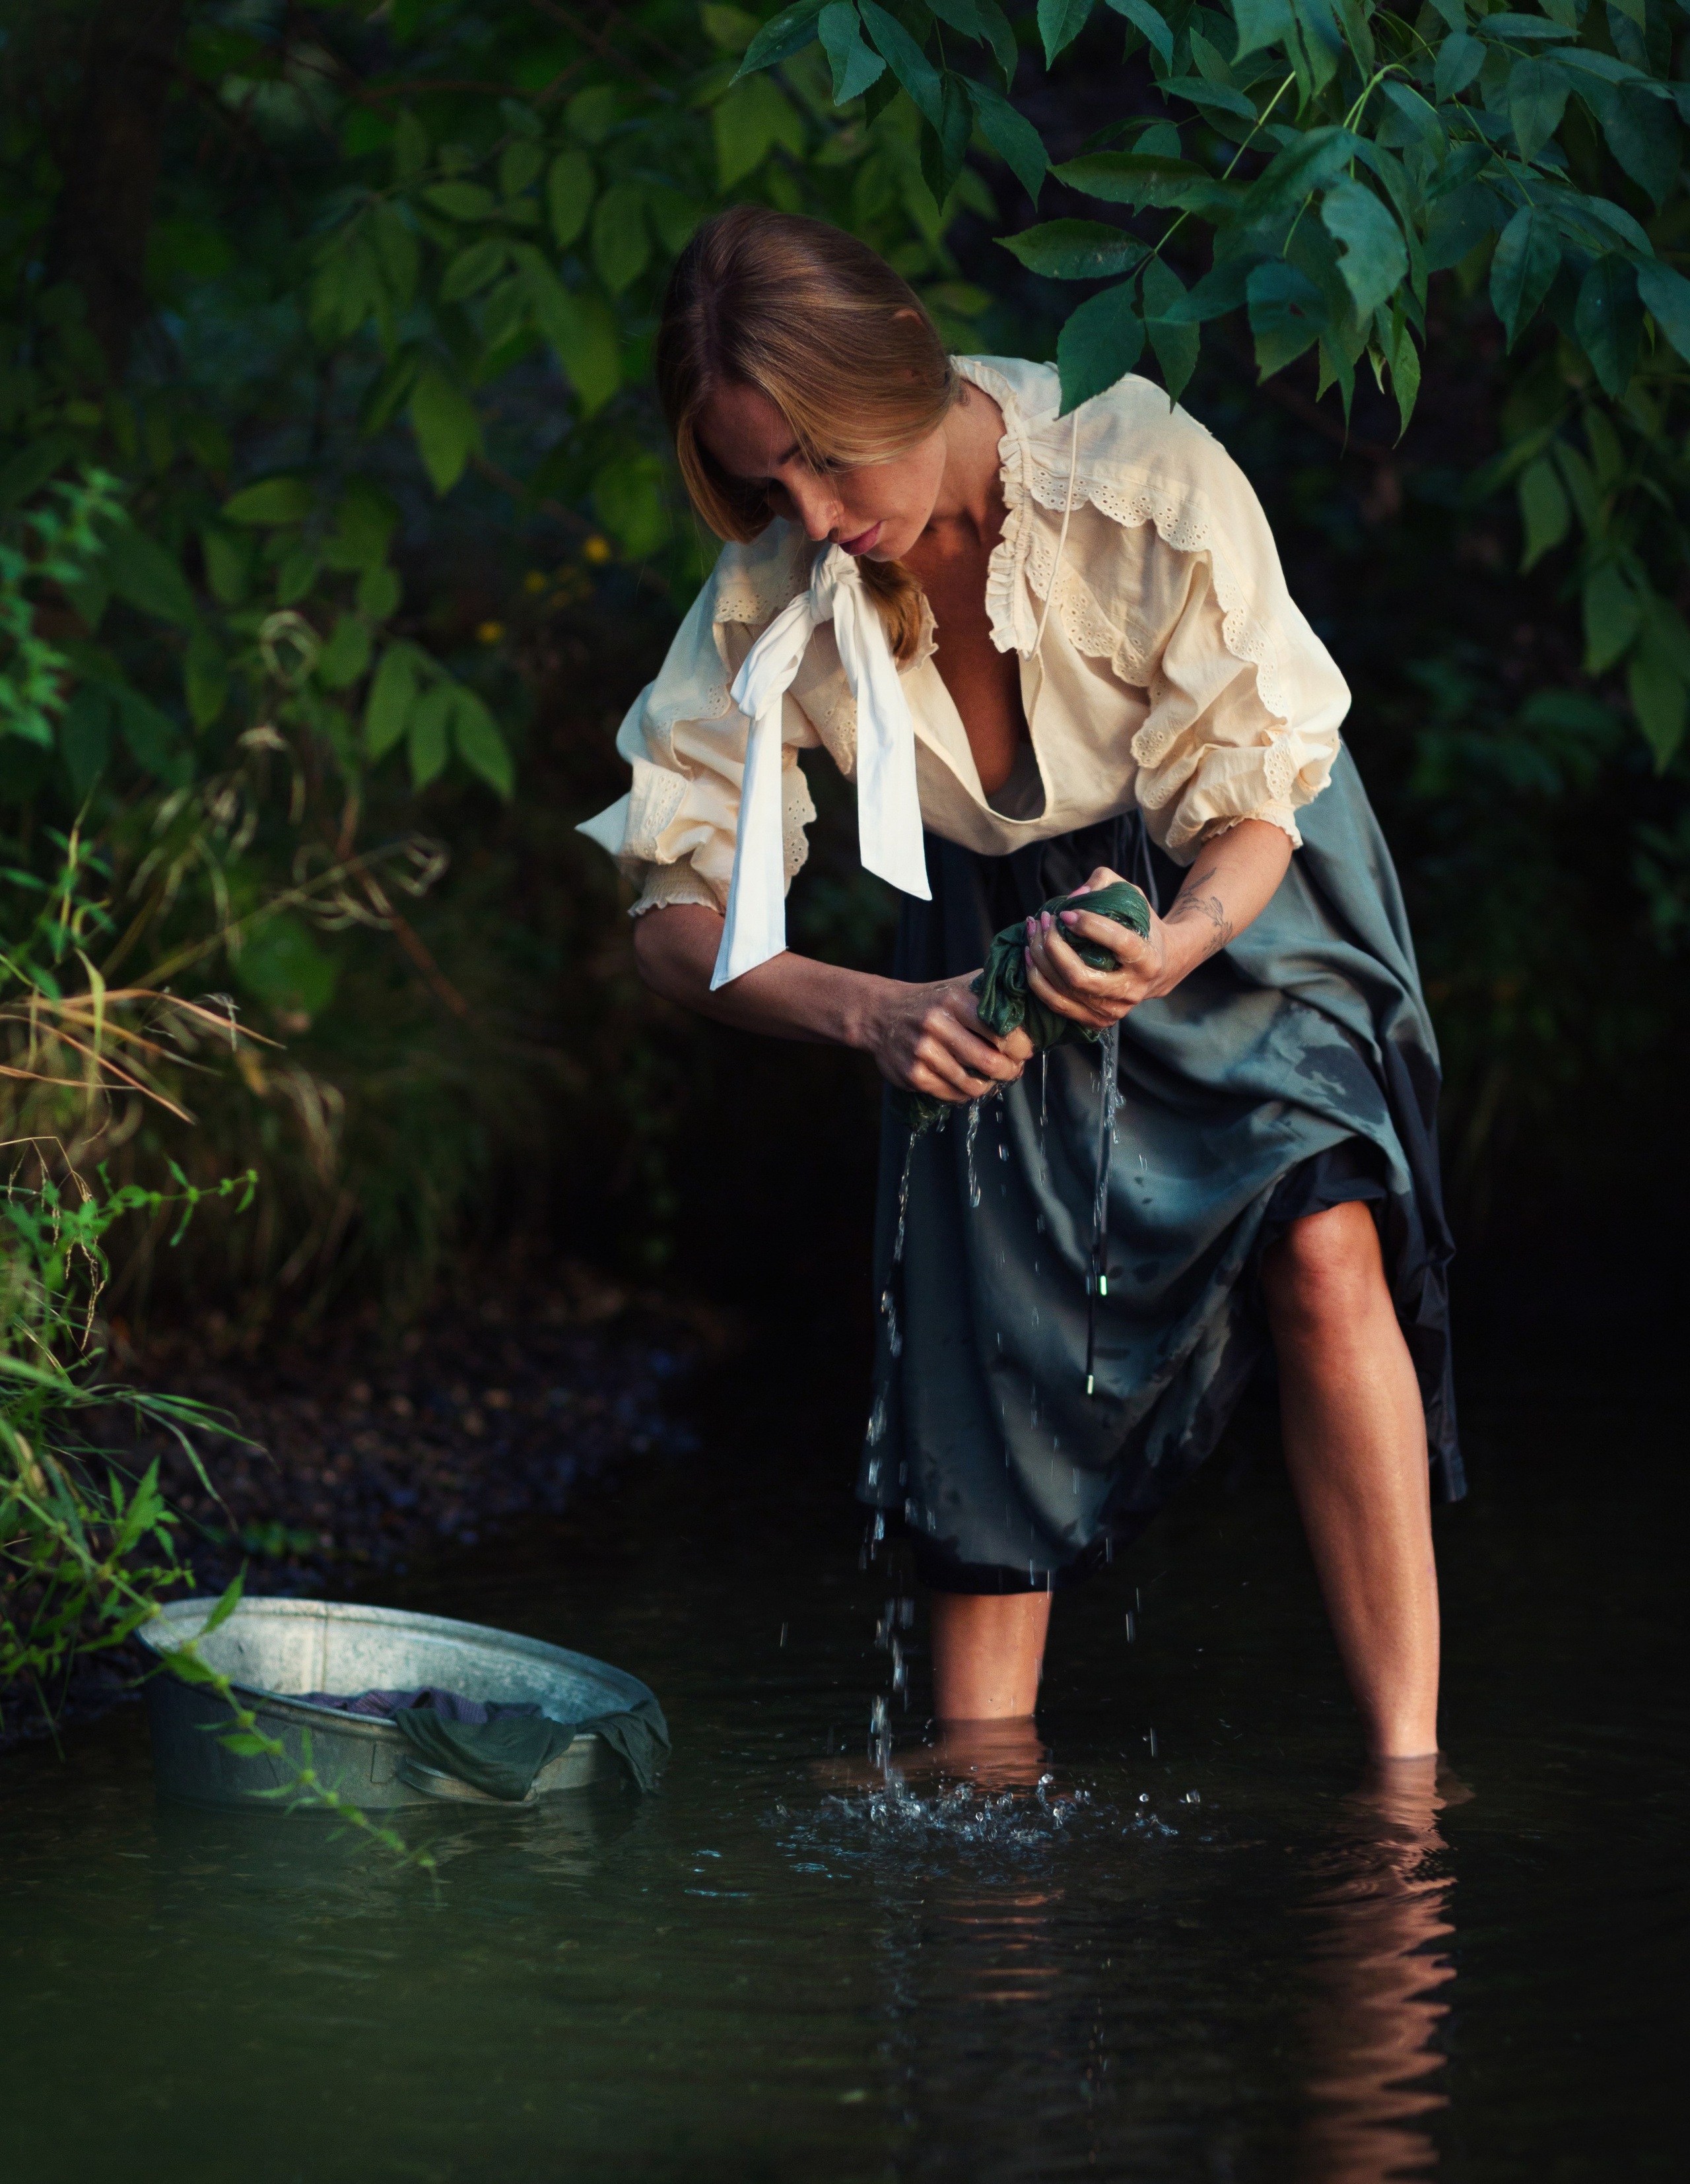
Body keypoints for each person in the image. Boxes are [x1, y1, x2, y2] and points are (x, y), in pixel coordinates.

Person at [579, 207, 1461, 1762]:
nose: (807, 509)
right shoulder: (774, 583)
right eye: (758, 477)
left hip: (1241, 864)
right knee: (988, 1328)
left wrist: (1180, 942)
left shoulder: (1137, 470)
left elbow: (1254, 803)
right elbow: (668, 914)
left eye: (819, 458)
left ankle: (1404, 1783)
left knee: (1322, 1236)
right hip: (986, 923)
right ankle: (980, 1812)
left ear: (898, 374)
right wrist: (869, 1009)